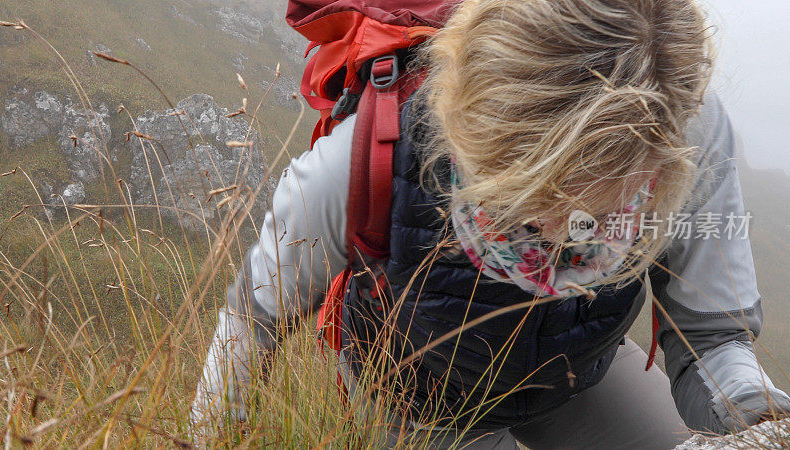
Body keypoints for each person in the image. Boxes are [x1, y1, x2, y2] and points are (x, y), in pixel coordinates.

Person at [192, 0, 790, 447]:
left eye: (610, 210)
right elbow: (252, 318)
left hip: (575, 379)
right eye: (541, 204)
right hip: (419, 406)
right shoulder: (358, 160)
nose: (567, 237)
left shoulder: (686, 134)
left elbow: (712, 339)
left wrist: (761, 422)